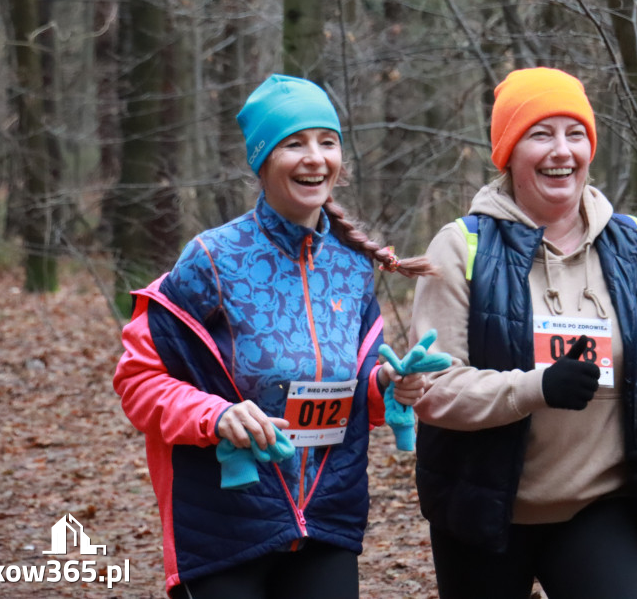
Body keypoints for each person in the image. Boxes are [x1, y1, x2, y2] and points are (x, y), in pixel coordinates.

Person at [113, 74, 431, 599]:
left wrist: (390, 386)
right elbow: (138, 381)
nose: (314, 158)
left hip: (328, 515)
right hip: (225, 522)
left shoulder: (352, 267)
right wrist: (215, 416)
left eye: (327, 142)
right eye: (293, 143)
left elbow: (361, 391)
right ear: (262, 161)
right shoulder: (212, 259)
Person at [409, 67, 637, 599]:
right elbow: (433, 389)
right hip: (483, 507)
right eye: (540, 134)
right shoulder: (459, 248)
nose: (561, 151)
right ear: (509, 152)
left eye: (575, 134)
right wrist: (535, 388)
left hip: (599, 503)